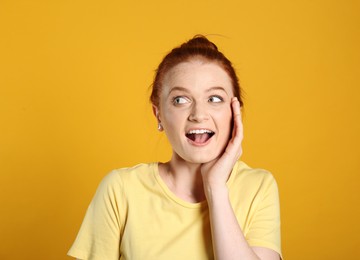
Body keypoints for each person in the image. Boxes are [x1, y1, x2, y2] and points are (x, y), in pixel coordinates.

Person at [68, 35, 282, 260]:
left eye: (215, 99)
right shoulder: (120, 190)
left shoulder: (259, 187)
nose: (199, 115)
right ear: (158, 113)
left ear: (234, 111)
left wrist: (216, 187)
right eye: (180, 100)